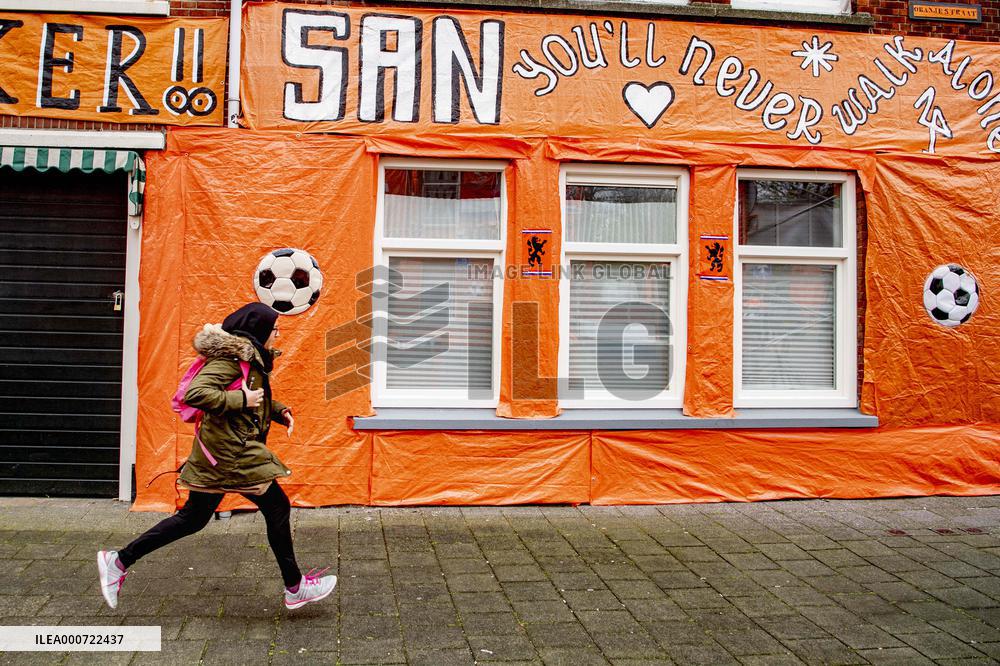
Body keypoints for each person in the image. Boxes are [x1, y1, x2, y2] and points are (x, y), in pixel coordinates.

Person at [97, 303, 336, 610]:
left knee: (193, 519)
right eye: (275, 329)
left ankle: (118, 561)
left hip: (222, 454)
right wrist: (241, 399)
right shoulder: (230, 361)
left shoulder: (251, 359)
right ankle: (295, 587)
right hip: (232, 455)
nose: (277, 334)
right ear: (259, 331)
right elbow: (195, 394)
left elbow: (254, 397)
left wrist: (278, 411)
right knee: (277, 507)